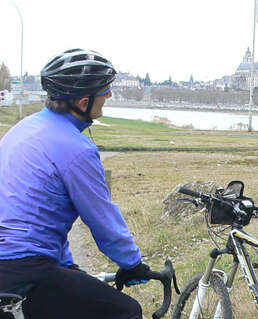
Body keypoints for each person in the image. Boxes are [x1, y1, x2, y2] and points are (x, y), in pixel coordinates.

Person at [0, 49, 149, 319]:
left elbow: (40, 210)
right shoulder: (77, 149)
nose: (109, 95)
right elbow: (102, 218)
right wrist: (133, 263)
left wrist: (67, 265)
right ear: (83, 102)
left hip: (15, 264)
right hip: (22, 269)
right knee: (126, 311)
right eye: (105, 90)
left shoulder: (23, 129)